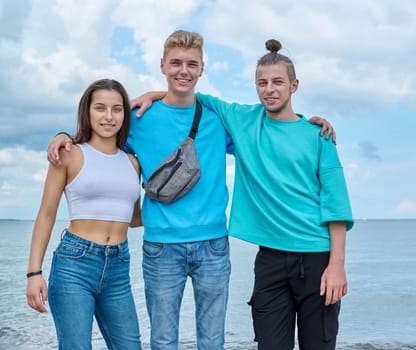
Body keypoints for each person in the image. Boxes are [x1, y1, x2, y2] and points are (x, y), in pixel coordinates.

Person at [47, 31, 335, 350]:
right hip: (161, 246)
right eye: (176, 63)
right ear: (162, 65)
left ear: (202, 69)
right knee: (163, 341)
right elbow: (101, 143)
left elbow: (272, 125)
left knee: (212, 342)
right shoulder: (139, 118)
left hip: (213, 245)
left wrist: (311, 124)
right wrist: (66, 137)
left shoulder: (218, 118)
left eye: (191, 64)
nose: (183, 70)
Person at [133, 39, 353, 350]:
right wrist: (153, 94)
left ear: (294, 86)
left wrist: (337, 264)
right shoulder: (244, 121)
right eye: (262, 83)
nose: (270, 89)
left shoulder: (318, 135)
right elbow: (186, 92)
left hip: (316, 258)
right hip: (270, 259)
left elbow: (336, 204)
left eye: (278, 82)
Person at [26, 79, 142, 350]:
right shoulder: (69, 154)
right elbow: (46, 215)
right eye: (100, 108)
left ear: (125, 114)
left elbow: (135, 219)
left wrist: (180, 205)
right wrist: (34, 273)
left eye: (117, 109)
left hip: (119, 265)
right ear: (87, 112)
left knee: (130, 345)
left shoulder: (133, 163)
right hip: (75, 265)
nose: (109, 116)